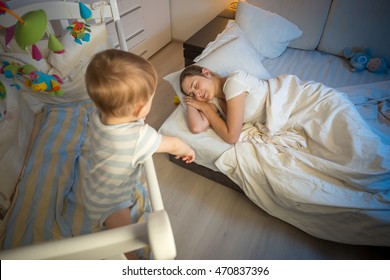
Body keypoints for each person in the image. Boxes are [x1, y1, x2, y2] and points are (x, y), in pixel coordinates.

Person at [83, 49, 195, 259]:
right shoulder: (137, 137)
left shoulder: (98, 115)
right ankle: (133, 263)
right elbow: (172, 145)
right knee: (126, 238)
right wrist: (187, 149)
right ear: (138, 109)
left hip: (93, 184)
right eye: (151, 98)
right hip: (110, 202)